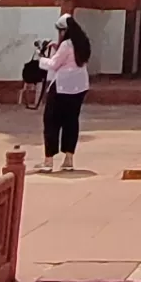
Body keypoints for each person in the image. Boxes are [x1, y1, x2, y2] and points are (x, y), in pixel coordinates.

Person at [35, 14, 91, 173]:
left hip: (62, 87)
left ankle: (48, 161)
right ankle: (68, 160)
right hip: (79, 86)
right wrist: (57, 48)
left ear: (64, 31)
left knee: (51, 122)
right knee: (71, 122)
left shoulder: (66, 45)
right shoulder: (83, 43)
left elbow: (54, 64)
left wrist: (41, 58)